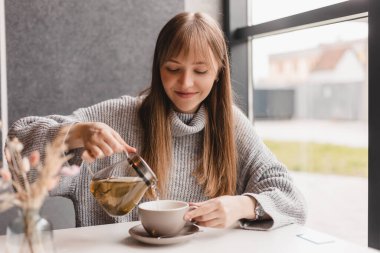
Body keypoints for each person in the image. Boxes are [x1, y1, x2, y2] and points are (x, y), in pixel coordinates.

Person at [7, 12, 307, 230]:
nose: (185, 82)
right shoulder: (116, 116)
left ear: (219, 72)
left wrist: (242, 205)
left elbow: (292, 199)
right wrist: (72, 135)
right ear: (157, 68)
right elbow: (15, 153)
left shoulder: (231, 126)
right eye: (173, 68)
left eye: (200, 71)